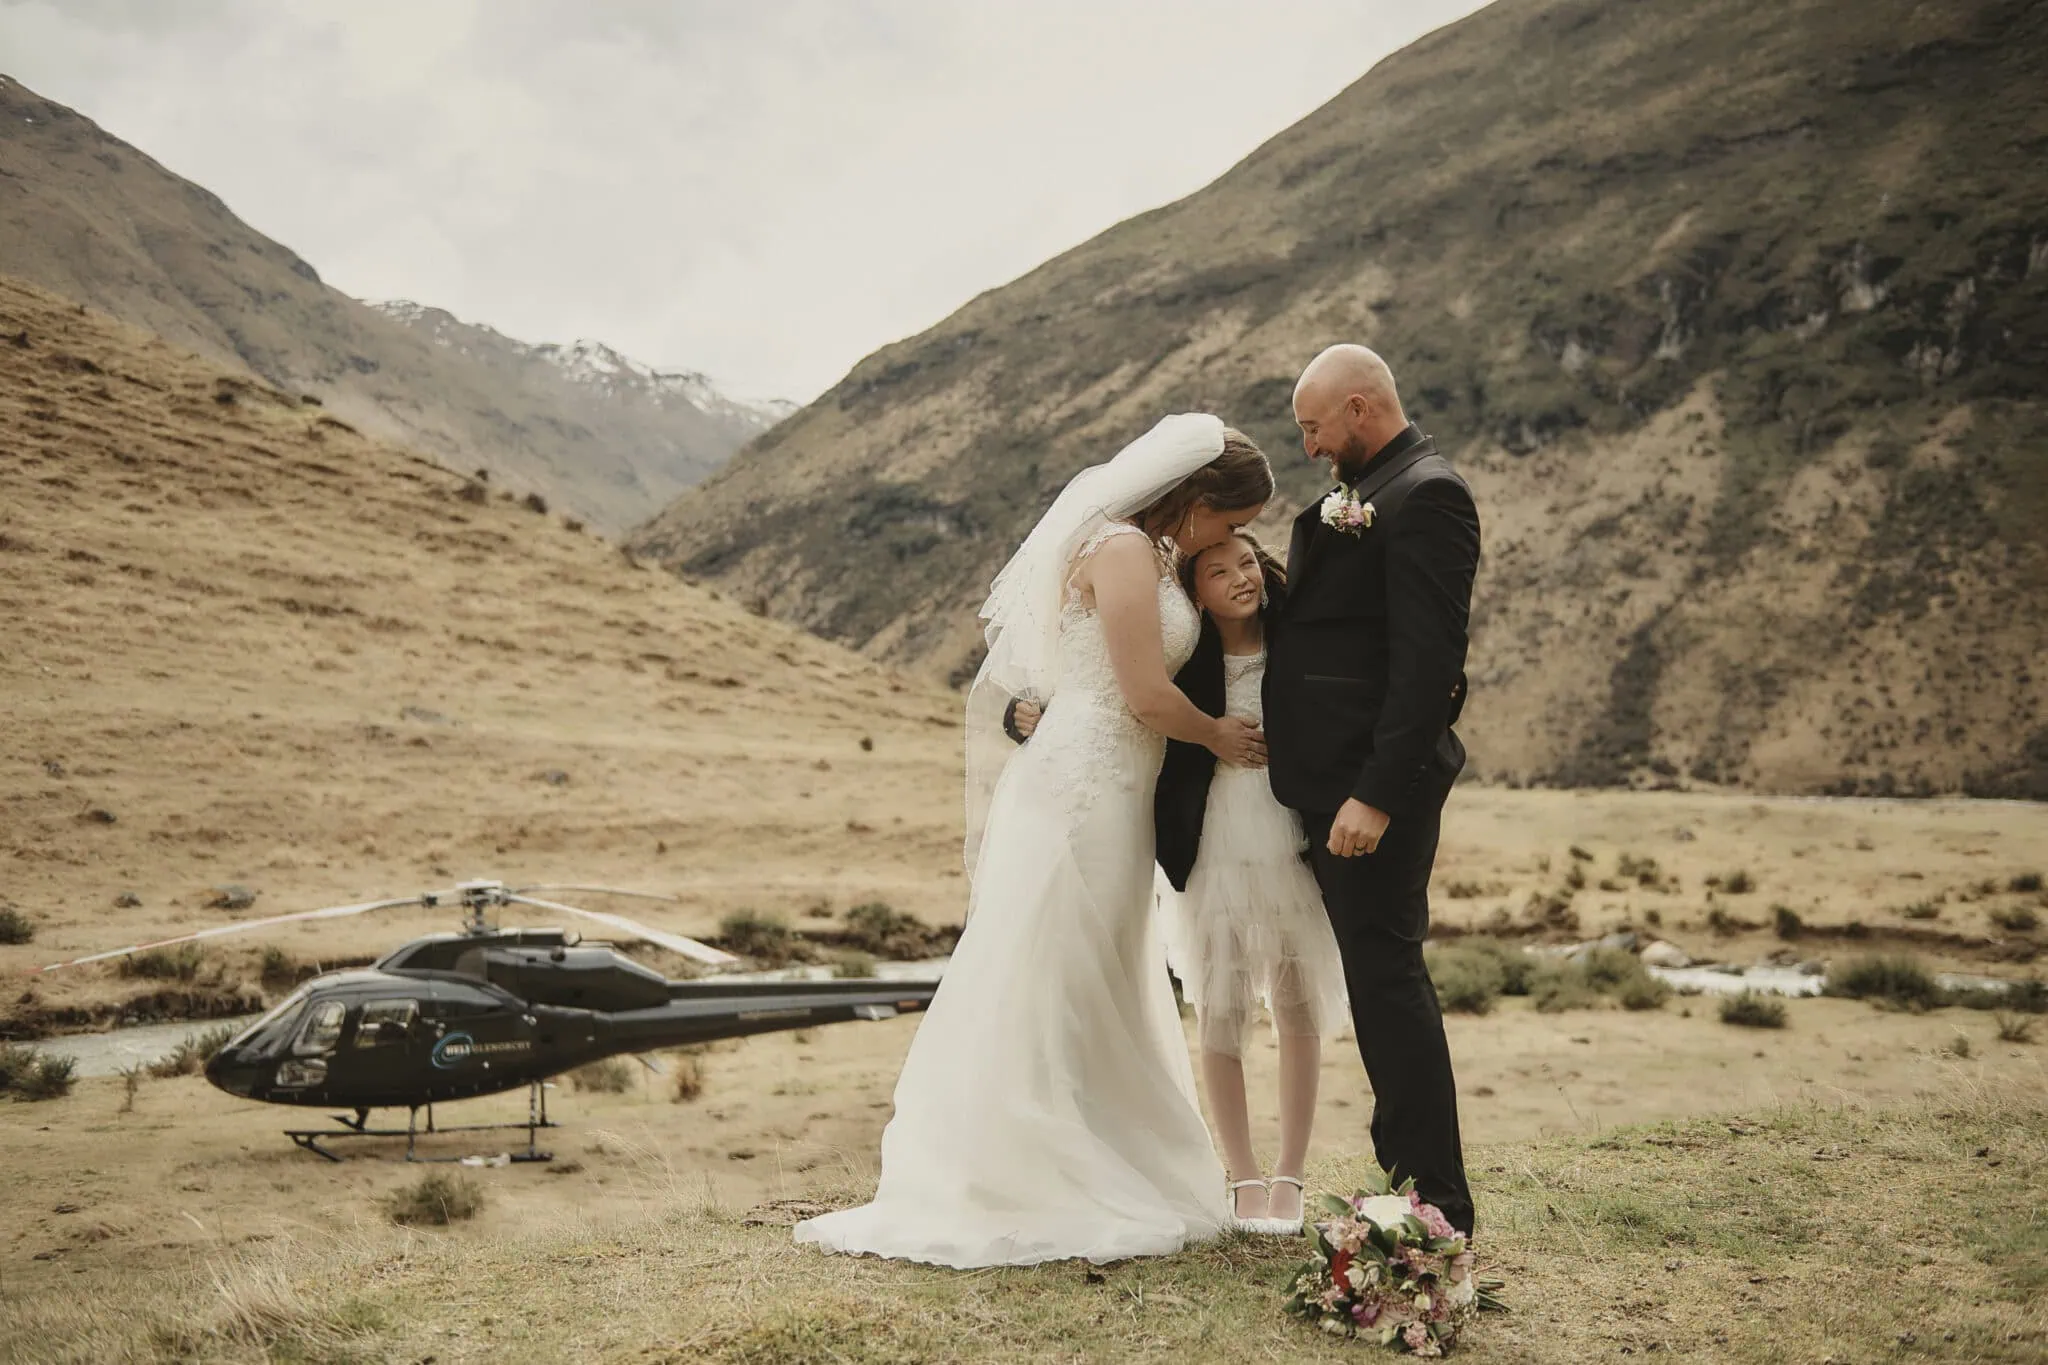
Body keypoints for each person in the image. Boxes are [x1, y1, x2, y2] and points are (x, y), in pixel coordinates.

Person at [794, 413, 1272, 1268]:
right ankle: (1029, 1164)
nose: (1231, 538)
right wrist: (1218, 735)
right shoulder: (1120, 549)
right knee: (1054, 960)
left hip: (1120, 784)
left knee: (1100, 963)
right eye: (1231, 521)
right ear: (1198, 501)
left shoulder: (1151, 551)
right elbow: (1141, 692)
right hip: (1084, 781)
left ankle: (1104, 1145)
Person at [1265, 343, 1483, 1241]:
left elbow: (1428, 667)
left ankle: (1437, 1204)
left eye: (1314, 426)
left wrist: (1376, 795)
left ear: (1359, 408)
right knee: (1375, 978)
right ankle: (1408, 1181)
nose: (1310, 446)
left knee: (1388, 979)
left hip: (1369, 789)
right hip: (1331, 779)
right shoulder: (1374, 489)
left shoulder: (1428, 495)